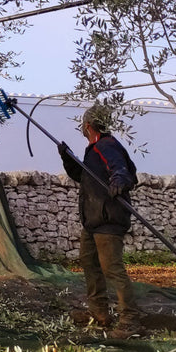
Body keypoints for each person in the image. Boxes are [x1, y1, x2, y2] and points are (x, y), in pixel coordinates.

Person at [58, 104, 145, 339]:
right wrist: (68, 159)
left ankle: (130, 320)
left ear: (88, 126)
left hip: (108, 219)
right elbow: (82, 176)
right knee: (89, 263)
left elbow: (122, 169)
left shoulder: (107, 145)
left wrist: (119, 179)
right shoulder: (94, 149)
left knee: (112, 269)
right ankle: (99, 313)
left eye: (83, 127)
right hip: (93, 220)